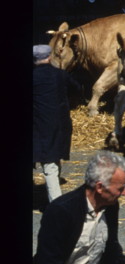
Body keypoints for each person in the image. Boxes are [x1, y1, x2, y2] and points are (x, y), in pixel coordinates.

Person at [33, 44, 81, 204]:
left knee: (49, 164)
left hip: (38, 125)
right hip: (59, 125)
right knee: (52, 163)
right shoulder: (60, 75)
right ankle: (57, 205)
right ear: (50, 57)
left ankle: (56, 207)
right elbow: (78, 88)